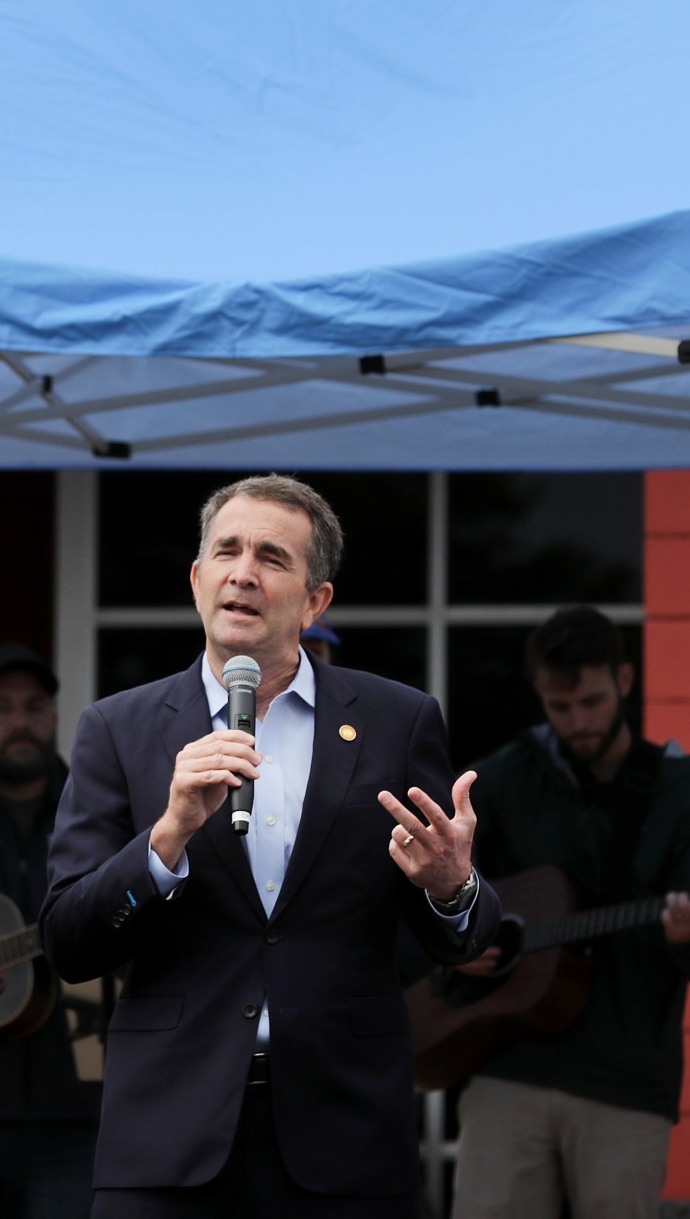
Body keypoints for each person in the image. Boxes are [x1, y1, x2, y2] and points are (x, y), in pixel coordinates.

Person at [41, 474, 503, 1216]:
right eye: (226, 552)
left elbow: (468, 939)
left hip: (344, 1134)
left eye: (272, 557)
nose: (243, 572)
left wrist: (451, 886)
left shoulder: (396, 720)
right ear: (198, 580)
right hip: (168, 1135)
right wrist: (167, 838)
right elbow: (67, 940)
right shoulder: (118, 729)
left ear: (315, 600)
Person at [452, 604, 690, 1219]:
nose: (578, 722)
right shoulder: (504, 781)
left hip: (624, 1081)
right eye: (560, 707)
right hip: (506, 1067)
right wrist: (459, 943)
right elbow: (435, 890)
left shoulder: (683, 796)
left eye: (591, 701)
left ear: (625, 681)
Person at [0, 643, 101, 1219]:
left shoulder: (94, 807)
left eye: (34, 707)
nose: (20, 722)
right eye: (2, 708)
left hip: (73, 1110)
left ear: (54, 719)